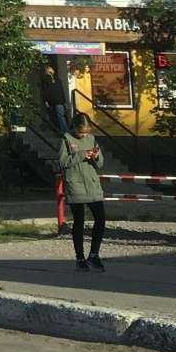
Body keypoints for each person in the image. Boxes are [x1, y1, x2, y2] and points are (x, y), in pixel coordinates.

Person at [58, 112, 106, 272]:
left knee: (101, 218)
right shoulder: (66, 139)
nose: (84, 134)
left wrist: (96, 156)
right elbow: (63, 162)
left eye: (86, 131)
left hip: (92, 184)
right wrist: (81, 155)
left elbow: (100, 164)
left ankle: (94, 255)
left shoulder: (91, 139)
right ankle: (80, 258)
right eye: (81, 132)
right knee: (79, 222)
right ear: (74, 128)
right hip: (75, 185)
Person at [41, 60, 71, 138]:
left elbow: (48, 91)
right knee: (59, 116)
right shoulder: (51, 80)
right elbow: (48, 91)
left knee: (59, 116)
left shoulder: (54, 80)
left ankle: (64, 131)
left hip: (57, 102)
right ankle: (63, 131)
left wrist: (46, 101)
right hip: (56, 102)